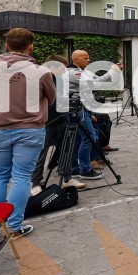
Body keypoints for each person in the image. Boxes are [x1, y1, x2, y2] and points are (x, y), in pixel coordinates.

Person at [0, 28, 56, 243]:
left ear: (7, 45)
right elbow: (51, 99)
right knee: (21, 177)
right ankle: (14, 226)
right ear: (31, 46)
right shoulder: (41, 71)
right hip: (30, 129)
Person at [31, 55, 86, 193]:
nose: (64, 71)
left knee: (65, 150)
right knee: (41, 153)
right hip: (45, 122)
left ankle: (67, 179)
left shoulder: (59, 79)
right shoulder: (40, 78)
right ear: (52, 66)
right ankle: (35, 183)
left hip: (61, 119)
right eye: (62, 68)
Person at [65, 50, 122, 181]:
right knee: (89, 137)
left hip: (82, 109)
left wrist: (115, 71)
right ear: (76, 60)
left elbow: (101, 81)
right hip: (77, 109)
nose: (89, 60)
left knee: (78, 140)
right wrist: (111, 71)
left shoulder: (85, 72)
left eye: (89, 58)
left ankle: (74, 169)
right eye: (85, 58)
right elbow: (93, 84)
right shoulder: (73, 73)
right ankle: (85, 170)